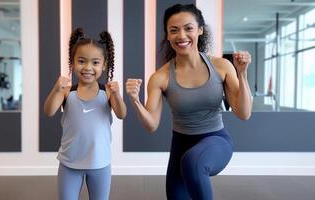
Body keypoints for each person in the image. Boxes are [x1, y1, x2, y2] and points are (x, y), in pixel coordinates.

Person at [125, 4, 252, 200]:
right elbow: (151, 125)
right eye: (173, 30)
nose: (181, 36)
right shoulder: (161, 77)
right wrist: (135, 101)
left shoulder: (221, 66)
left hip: (216, 141)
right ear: (167, 36)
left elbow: (244, 113)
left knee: (193, 162)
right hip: (180, 147)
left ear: (200, 30)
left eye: (188, 28)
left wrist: (242, 74)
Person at [44, 28, 127, 200]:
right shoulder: (67, 92)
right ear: (73, 63)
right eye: (81, 61)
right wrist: (56, 88)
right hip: (69, 163)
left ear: (104, 65)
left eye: (95, 62)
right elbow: (49, 111)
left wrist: (118, 95)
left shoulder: (108, 93)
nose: (88, 67)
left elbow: (121, 114)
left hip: (100, 163)